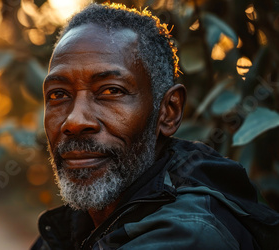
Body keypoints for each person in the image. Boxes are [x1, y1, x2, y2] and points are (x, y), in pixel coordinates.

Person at [32, 3, 279, 250]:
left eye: (111, 90)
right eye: (58, 94)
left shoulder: (191, 234)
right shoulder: (76, 223)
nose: (75, 121)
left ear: (168, 112)